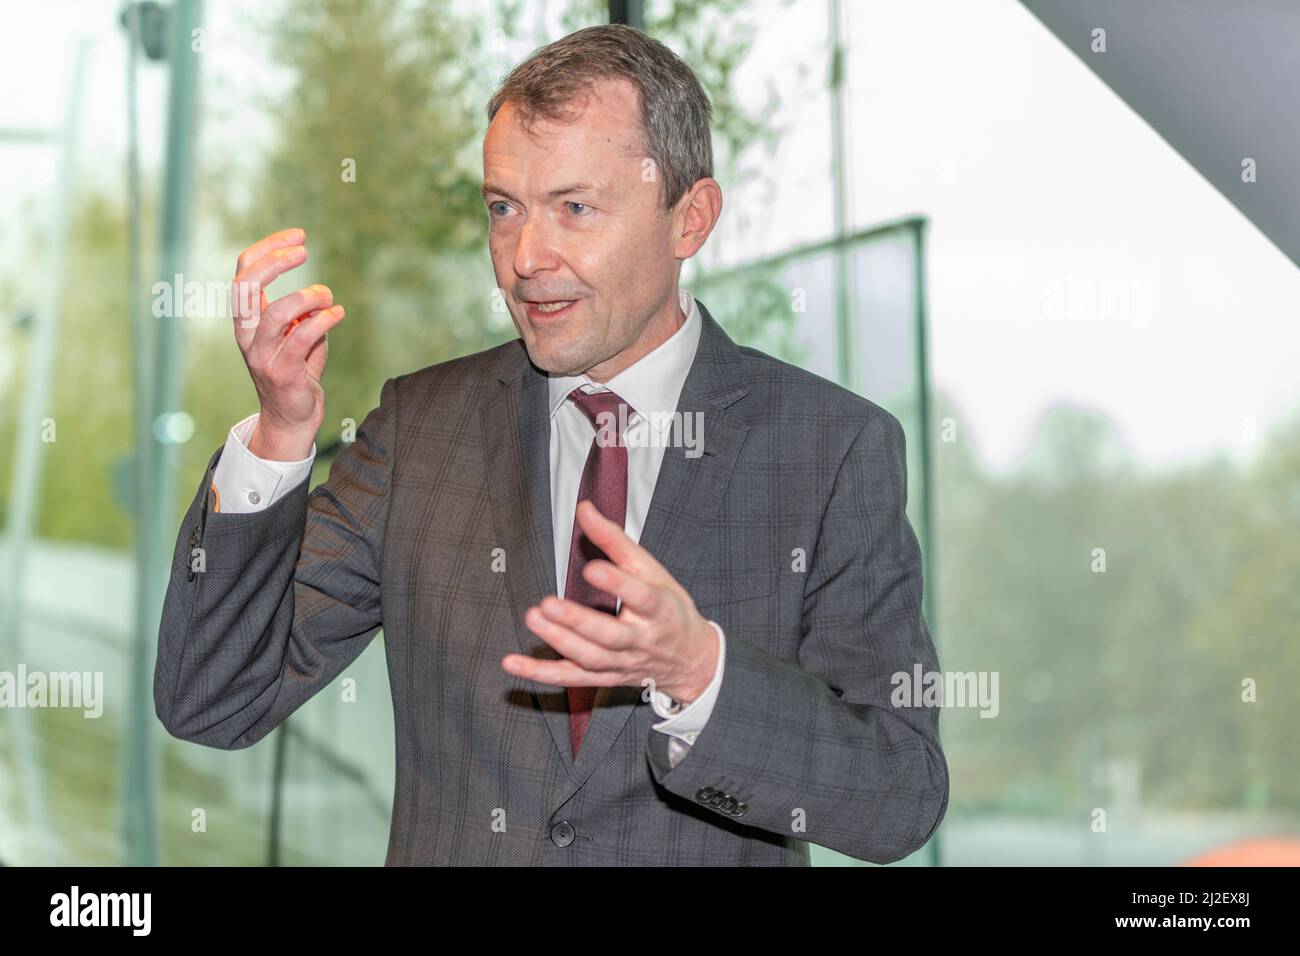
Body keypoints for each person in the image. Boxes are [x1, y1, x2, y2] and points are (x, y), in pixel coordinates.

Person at [155, 23, 948, 866]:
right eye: (505, 209)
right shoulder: (418, 432)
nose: (526, 258)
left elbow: (899, 798)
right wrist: (281, 433)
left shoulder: (830, 450)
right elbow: (214, 700)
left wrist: (698, 673)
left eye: (575, 208)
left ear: (691, 218)